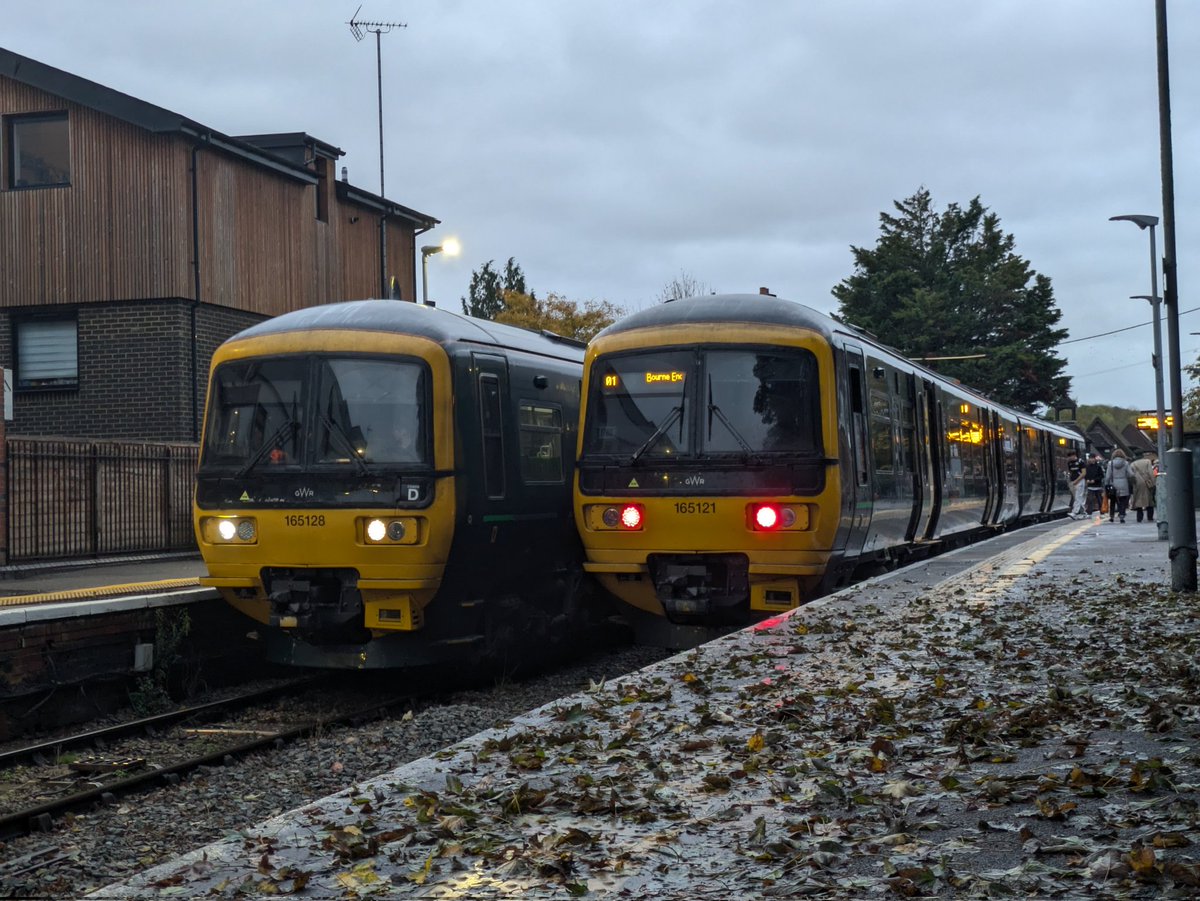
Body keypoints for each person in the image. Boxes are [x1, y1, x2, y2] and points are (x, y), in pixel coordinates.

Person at [1104, 448, 1134, 524]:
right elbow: (1131, 474)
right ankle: (1122, 516)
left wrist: (1106, 484)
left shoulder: (1110, 463)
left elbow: (1108, 476)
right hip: (1124, 484)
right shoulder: (1126, 463)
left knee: (1113, 501)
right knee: (1122, 502)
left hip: (1113, 484)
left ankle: (1111, 516)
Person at [1129, 452, 1157, 523]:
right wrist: (1153, 482)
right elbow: (1151, 473)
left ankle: (1139, 518)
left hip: (1137, 483)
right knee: (1149, 500)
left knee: (1139, 501)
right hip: (1147, 482)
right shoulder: (1147, 461)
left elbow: (1131, 476)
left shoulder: (1133, 464)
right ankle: (1150, 517)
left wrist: (1133, 483)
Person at [1084, 451, 1106, 517]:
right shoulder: (1087, 467)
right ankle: (1089, 513)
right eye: (1090, 458)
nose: (1091, 459)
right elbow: (1086, 475)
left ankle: (1102, 513)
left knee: (1099, 500)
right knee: (1090, 500)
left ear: (1094, 459)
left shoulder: (1098, 467)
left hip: (1097, 486)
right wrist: (1087, 479)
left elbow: (1101, 476)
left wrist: (1095, 480)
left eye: (1092, 458)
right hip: (1090, 486)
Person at [1067, 450, 1086, 519]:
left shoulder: (1081, 462)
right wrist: (1070, 482)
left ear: (1074, 455)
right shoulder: (1069, 463)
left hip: (1080, 481)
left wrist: (1076, 481)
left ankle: (1074, 512)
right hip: (1073, 482)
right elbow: (1070, 472)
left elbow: (1083, 473)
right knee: (1077, 497)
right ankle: (1083, 512)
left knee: (1078, 496)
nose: (1069, 458)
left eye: (1070, 456)